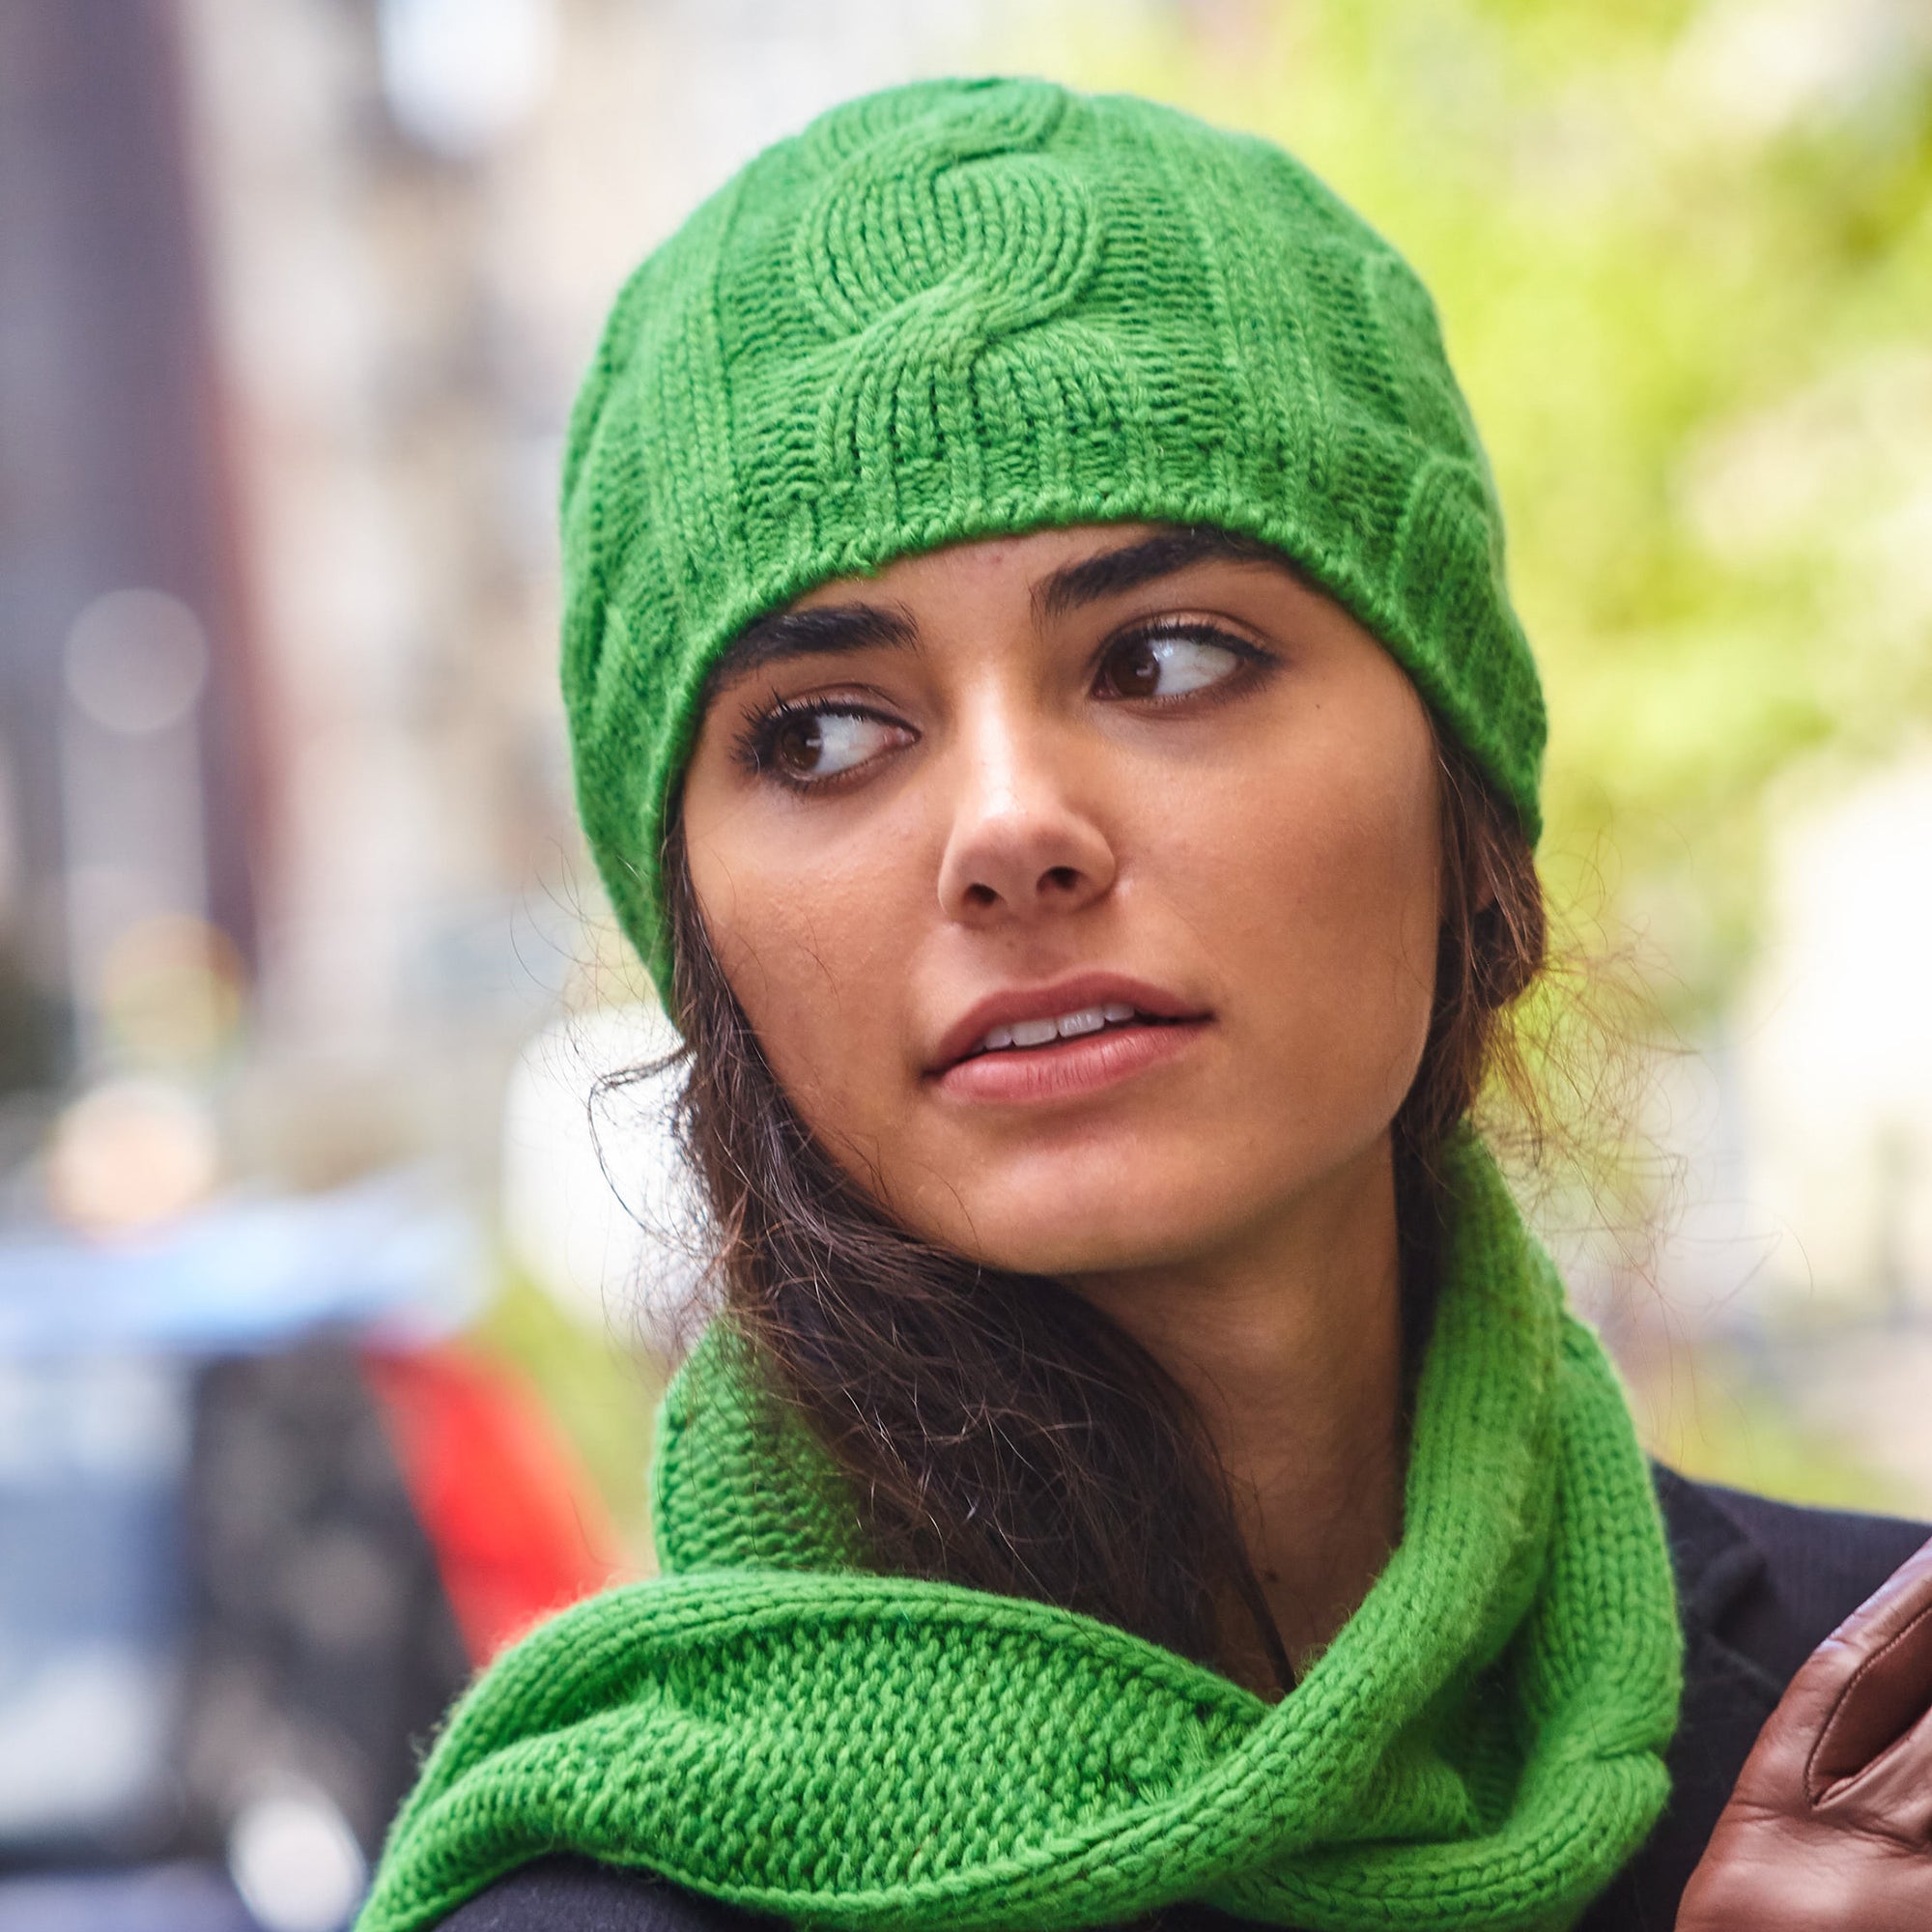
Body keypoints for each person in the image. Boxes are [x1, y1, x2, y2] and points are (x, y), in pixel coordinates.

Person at [355, 79, 1932, 1932]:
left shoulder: (1878, 1739)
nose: (1013, 827)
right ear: (696, 926)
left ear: (1460, 786)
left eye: (1168, 657)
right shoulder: (595, 1902)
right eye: (826, 732)